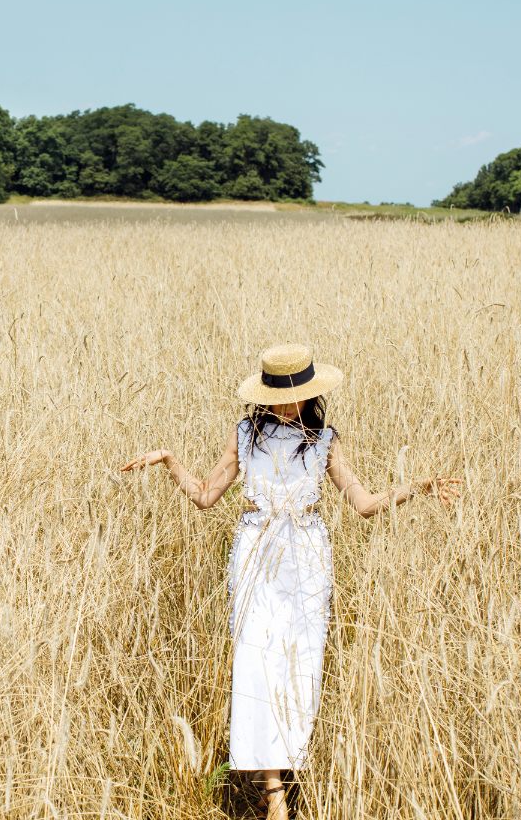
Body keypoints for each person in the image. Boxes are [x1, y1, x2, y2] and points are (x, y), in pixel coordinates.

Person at [120, 343, 460, 819]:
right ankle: (274, 794)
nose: (288, 403)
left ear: (309, 394)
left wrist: (418, 487)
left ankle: (283, 771)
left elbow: (363, 503)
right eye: (280, 394)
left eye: (297, 394)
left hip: (306, 559)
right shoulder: (245, 435)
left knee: (299, 668)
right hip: (255, 559)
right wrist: (169, 461)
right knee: (256, 664)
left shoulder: (324, 441)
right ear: (265, 395)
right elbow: (204, 496)